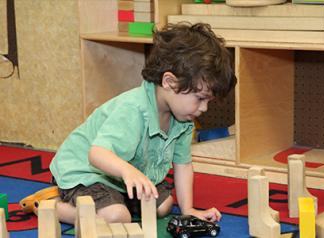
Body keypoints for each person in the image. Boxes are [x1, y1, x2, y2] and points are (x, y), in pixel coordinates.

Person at [20, 22, 237, 225]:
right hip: (86, 172)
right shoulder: (133, 109)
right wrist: (128, 172)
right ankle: (51, 207)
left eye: (209, 101)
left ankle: (116, 196)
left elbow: (183, 164)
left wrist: (188, 209)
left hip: (124, 173)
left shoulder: (183, 119)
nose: (204, 108)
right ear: (169, 82)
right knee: (117, 217)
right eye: (200, 98)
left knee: (163, 207)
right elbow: (97, 154)